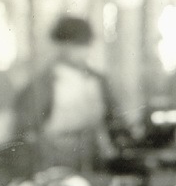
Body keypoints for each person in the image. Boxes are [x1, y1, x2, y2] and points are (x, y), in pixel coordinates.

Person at [11, 14, 123, 176]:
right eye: (75, 44)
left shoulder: (98, 80)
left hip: (95, 159)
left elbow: (114, 117)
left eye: (84, 44)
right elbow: (26, 129)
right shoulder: (44, 84)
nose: (81, 50)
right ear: (61, 46)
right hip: (55, 161)